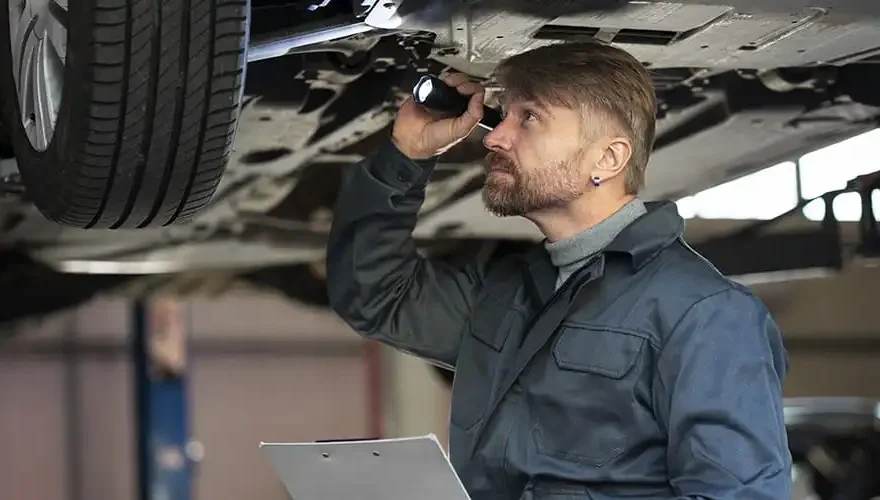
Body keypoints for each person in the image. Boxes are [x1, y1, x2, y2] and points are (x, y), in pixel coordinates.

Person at [326, 41, 792, 499]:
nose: (493, 137)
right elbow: (377, 296)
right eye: (505, 116)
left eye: (529, 118)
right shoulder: (507, 290)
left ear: (607, 159)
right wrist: (406, 157)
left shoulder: (706, 314)